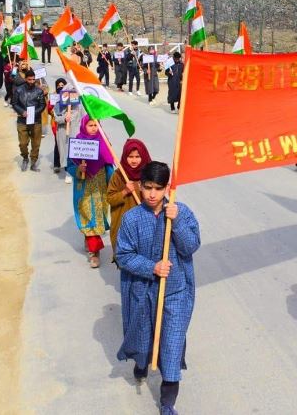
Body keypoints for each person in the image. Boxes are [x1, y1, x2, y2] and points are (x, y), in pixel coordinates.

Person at [116, 161, 200, 415]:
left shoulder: (181, 212)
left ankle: (167, 403)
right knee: (143, 340)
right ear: (140, 186)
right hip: (142, 292)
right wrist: (151, 267)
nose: (152, 194)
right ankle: (140, 365)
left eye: (158, 188)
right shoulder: (132, 218)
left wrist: (177, 225)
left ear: (167, 188)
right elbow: (123, 255)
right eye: (148, 187)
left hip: (176, 293)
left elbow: (191, 247)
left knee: (172, 344)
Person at [67, 115, 115, 268]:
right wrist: (78, 169)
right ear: (83, 126)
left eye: (96, 125)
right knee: (87, 216)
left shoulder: (104, 142)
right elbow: (69, 165)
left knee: (98, 215)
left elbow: (109, 166)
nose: (94, 128)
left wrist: (113, 183)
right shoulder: (78, 143)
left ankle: (90, 240)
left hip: (100, 187)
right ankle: (94, 253)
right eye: (90, 125)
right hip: (84, 187)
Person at [107, 139, 152, 261]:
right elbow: (110, 198)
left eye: (137, 156)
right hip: (123, 223)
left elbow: (157, 196)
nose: (134, 160)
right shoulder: (118, 175)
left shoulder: (149, 174)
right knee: (125, 256)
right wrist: (125, 191)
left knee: (144, 255)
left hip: (144, 223)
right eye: (130, 156)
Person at [12, 68, 46, 172]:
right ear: (26, 79)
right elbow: (14, 103)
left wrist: (33, 113)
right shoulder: (18, 90)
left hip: (36, 121)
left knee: (36, 143)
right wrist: (22, 112)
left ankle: (33, 162)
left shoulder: (39, 91)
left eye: (33, 79)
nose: (31, 81)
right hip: (22, 121)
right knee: (22, 143)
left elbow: (42, 105)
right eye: (29, 79)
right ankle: (25, 158)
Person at [51, 80, 82, 184]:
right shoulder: (58, 104)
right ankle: (68, 172)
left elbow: (78, 115)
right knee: (65, 152)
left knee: (76, 152)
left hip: (75, 131)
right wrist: (64, 118)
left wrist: (71, 115)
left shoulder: (78, 105)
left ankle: (78, 172)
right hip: (62, 132)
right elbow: (56, 118)